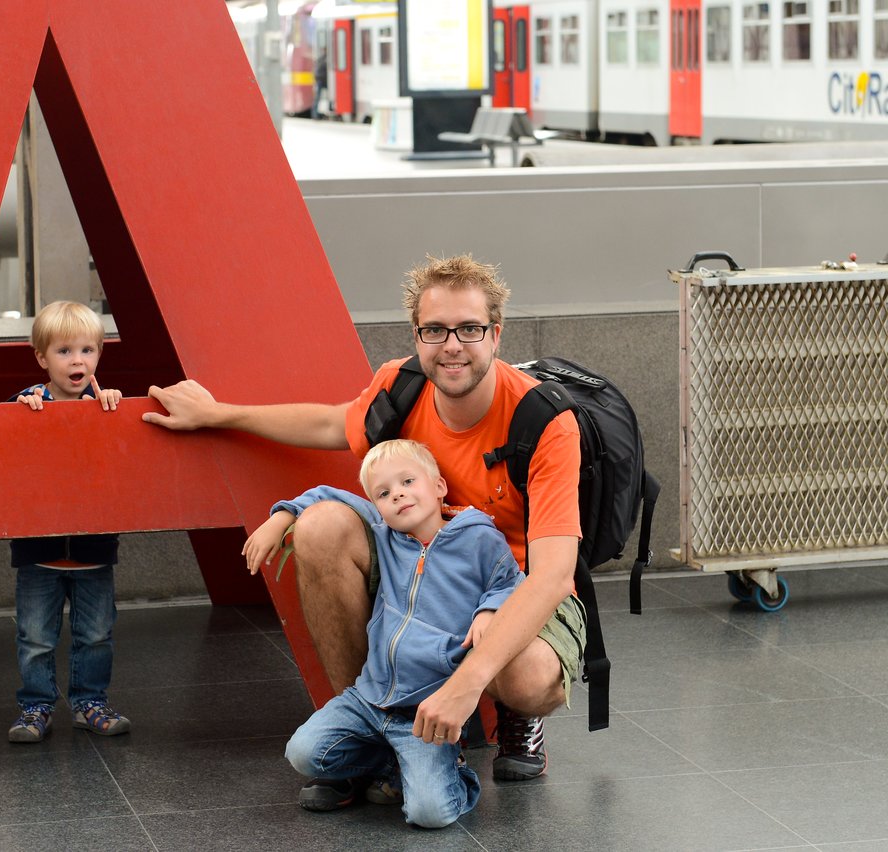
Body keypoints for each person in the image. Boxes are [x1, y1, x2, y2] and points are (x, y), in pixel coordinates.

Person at [143, 255, 585, 805]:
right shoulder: (400, 389)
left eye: (469, 329)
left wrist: (468, 685)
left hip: (509, 582)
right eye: (435, 330)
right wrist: (218, 414)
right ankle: (370, 731)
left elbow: (551, 576)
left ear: (496, 334)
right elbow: (331, 422)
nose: (452, 345)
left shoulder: (544, 422)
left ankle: (515, 718)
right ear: (417, 336)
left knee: (527, 675)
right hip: (415, 571)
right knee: (321, 525)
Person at [245, 439, 523, 827]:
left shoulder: (477, 537)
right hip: (370, 698)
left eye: (409, 481)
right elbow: (329, 497)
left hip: (425, 712)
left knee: (430, 815)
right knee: (302, 753)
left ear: (439, 486)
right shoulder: (385, 535)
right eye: (385, 493)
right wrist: (281, 517)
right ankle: (392, 763)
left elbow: (511, 580)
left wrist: (490, 609)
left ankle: (452, 774)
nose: (399, 495)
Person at [6, 300, 131, 744]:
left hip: (93, 548)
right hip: (40, 552)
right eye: (63, 351)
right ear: (42, 358)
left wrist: (111, 404)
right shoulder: (30, 403)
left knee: (95, 634)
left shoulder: (104, 406)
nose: (77, 360)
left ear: (98, 355)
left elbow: (119, 453)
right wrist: (20, 406)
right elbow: (3, 437)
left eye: (86, 350)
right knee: (36, 636)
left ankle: (89, 702)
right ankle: (35, 706)